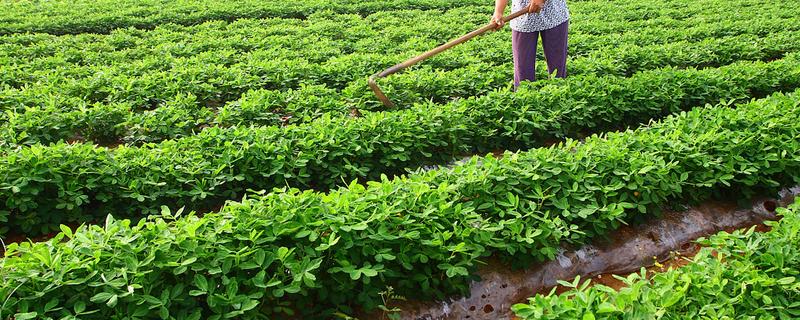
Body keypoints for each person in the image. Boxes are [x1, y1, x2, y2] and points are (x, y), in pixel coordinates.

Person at [490, 0, 570, 87]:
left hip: (555, 13)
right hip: (522, 17)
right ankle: (524, 96)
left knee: (557, 66)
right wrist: (498, 12)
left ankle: (558, 95)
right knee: (523, 69)